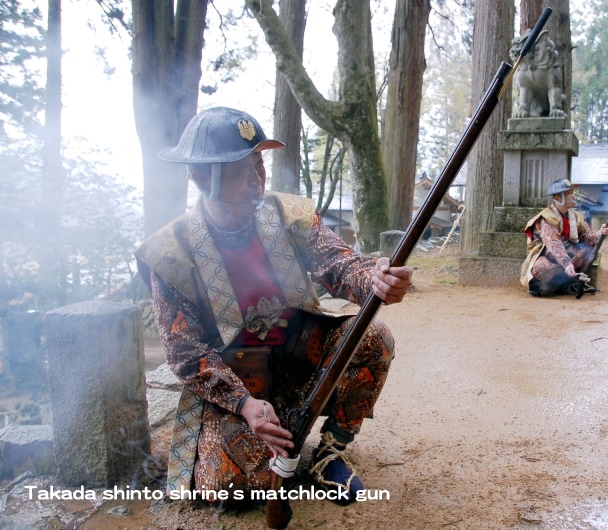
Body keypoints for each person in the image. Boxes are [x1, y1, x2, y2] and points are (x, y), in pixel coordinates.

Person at [135, 107, 413, 504]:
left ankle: (329, 453)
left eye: (258, 163)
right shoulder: (170, 253)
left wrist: (373, 277)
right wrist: (243, 403)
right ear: (200, 178)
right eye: (240, 169)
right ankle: (266, 439)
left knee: (373, 338)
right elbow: (184, 351)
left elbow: (337, 262)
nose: (257, 178)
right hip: (237, 382)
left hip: (300, 356)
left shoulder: (290, 215)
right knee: (229, 490)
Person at [519, 179, 608, 296]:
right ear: (557, 198)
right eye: (568, 193)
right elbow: (554, 244)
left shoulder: (577, 216)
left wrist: (600, 233)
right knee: (541, 268)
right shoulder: (547, 218)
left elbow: (587, 237)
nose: (573, 196)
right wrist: (567, 264)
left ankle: (570, 282)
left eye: (572, 192)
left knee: (589, 250)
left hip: (568, 255)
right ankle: (543, 285)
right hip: (547, 257)